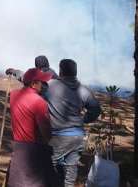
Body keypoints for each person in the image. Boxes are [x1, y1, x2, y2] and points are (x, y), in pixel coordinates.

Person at [45, 59, 100, 187]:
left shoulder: (50, 86)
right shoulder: (83, 90)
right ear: (75, 72)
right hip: (77, 137)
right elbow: (96, 109)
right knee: (70, 171)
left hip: (57, 136)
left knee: (51, 170)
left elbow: (33, 86)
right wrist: (83, 119)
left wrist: (16, 73)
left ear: (60, 71)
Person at [7, 68, 54, 187]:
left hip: (17, 147)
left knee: (17, 182)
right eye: (41, 82)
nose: (44, 85)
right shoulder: (39, 102)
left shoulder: (13, 95)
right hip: (34, 149)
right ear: (33, 84)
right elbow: (46, 132)